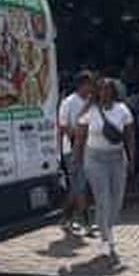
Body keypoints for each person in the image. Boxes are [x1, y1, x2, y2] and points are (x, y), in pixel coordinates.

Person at [75, 77, 135, 263]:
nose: (105, 92)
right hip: (95, 159)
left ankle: (106, 228)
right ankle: (106, 239)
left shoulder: (122, 110)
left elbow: (129, 136)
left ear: (114, 92)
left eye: (108, 89)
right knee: (103, 199)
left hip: (117, 158)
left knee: (116, 200)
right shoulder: (90, 110)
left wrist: (132, 158)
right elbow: (80, 136)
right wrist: (77, 160)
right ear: (97, 92)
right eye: (101, 89)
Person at [58, 70, 94, 235]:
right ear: (81, 85)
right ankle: (86, 222)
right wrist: (76, 136)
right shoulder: (68, 102)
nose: (91, 87)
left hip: (88, 148)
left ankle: (65, 219)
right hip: (71, 150)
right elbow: (63, 125)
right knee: (80, 186)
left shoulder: (90, 102)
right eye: (89, 84)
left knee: (77, 186)